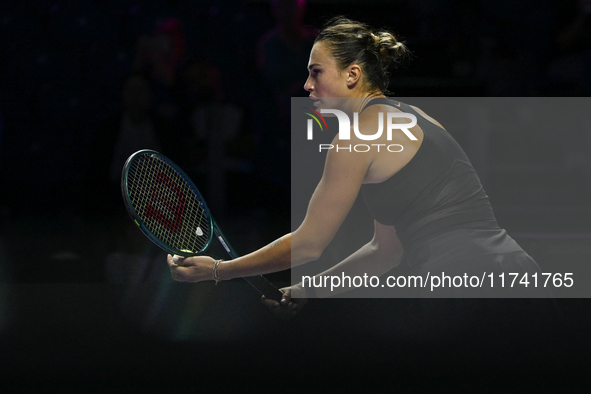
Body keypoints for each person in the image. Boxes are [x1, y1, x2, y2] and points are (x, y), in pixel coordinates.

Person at [166, 17, 548, 314]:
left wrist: (218, 270)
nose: (306, 85)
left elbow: (309, 244)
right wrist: (308, 289)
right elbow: (385, 250)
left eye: (316, 72)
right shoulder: (419, 117)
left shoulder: (354, 139)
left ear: (353, 75)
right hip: (518, 271)